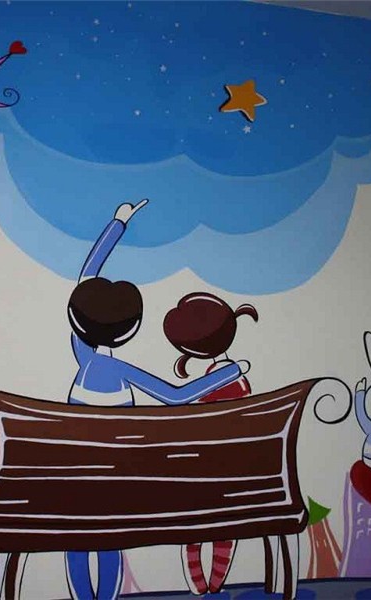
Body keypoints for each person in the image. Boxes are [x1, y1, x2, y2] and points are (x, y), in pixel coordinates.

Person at [65, 200, 250, 600]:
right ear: (130, 329)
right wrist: (230, 372)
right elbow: (177, 397)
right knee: (109, 540)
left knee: (77, 541)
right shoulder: (121, 371)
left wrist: (118, 224)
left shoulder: (83, 356)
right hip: (115, 487)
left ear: (77, 318)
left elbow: (85, 279)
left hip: (76, 483)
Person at [163, 292, 258, 594]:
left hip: (203, 481)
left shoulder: (207, 389)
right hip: (235, 481)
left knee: (195, 521)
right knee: (224, 525)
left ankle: (198, 583)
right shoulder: (241, 383)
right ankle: (216, 583)